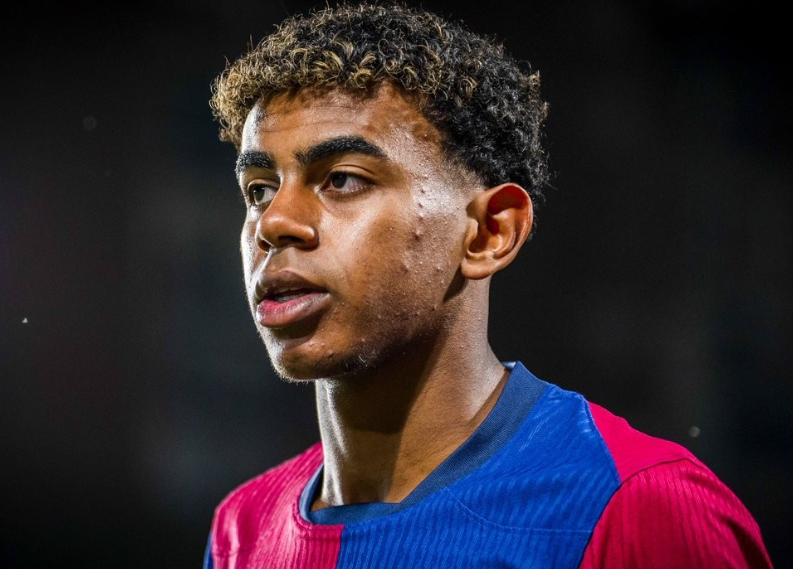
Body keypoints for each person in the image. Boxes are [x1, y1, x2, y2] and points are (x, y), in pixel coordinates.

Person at [203, 2, 771, 567]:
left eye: (344, 179)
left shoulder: (635, 507)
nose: (274, 222)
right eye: (259, 189)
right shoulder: (242, 530)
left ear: (488, 233)